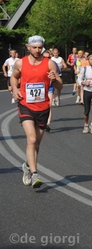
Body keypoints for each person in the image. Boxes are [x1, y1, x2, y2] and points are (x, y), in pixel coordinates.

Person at [10, 35, 63, 188]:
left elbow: (59, 86)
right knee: (31, 139)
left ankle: (27, 166)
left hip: (43, 107)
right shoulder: (21, 62)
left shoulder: (49, 63)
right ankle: (34, 174)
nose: (37, 50)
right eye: (34, 47)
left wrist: (55, 79)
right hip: (25, 104)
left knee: (36, 144)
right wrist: (15, 88)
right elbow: (14, 77)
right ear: (28, 47)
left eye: (40, 47)